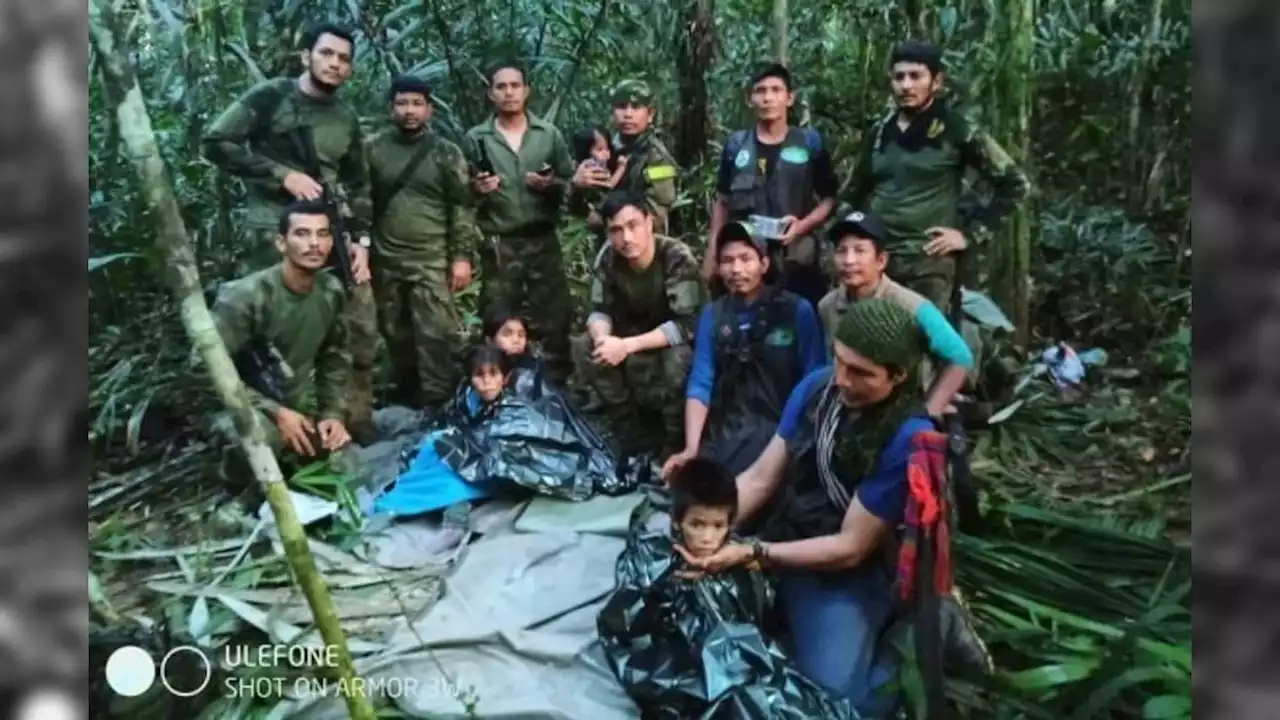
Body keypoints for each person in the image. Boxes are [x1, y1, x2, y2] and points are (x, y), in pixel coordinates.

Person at [674, 297, 937, 715]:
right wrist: (706, 528)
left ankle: (916, 638)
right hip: (789, 533)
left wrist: (752, 553)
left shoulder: (906, 437)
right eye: (839, 361)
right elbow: (762, 477)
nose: (843, 379)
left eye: (860, 373)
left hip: (846, 571)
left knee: (836, 705)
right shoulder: (817, 387)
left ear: (898, 376)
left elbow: (850, 546)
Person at [201, 22, 379, 442]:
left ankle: (346, 423)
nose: (335, 64)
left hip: (332, 233)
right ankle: (272, 426)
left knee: (353, 326)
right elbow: (215, 142)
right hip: (273, 232)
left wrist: (361, 241)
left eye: (343, 59)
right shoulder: (271, 97)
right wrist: (282, 175)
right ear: (306, 56)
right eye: (327, 54)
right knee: (269, 332)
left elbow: (359, 184)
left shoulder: (345, 118)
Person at [845, 40, 1030, 311]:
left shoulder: (956, 128)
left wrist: (969, 234)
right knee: (874, 343)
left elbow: (1016, 185)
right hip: (879, 262)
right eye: (899, 77)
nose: (906, 85)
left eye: (915, 76)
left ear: (936, 81)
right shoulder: (880, 132)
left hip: (928, 263)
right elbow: (854, 193)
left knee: (925, 345)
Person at [663, 221, 826, 479]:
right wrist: (691, 448)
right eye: (727, 260)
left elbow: (814, 379)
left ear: (764, 264)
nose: (736, 269)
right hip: (728, 430)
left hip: (781, 432)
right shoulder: (713, 314)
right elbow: (701, 381)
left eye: (745, 258)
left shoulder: (796, 310)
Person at [208, 201, 353, 484]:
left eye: (322, 234)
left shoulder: (330, 290)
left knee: (344, 463)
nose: (314, 244)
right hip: (241, 404)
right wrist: (275, 413)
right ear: (281, 242)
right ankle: (238, 495)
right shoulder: (244, 298)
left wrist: (332, 415)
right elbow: (204, 371)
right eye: (302, 234)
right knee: (260, 439)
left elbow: (335, 356)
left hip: (295, 402)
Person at [366, 75, 481, 410]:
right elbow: (360, 201)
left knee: (436, 336)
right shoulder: (372, 149)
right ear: (391, 108)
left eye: (417, 104)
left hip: (432, 259)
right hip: (386, 259)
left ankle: (439, 404)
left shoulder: (445, 153)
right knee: (396, 334)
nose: (409, 111)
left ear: (429, 109)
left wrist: (461, 257)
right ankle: (407, 398)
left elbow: (461, 207)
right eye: (402, 103)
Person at [464, 61, 576, 384]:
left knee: (554, 313)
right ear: (491, 93)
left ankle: (555, 385)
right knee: (498, 312)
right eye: (501, 86)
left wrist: (550, 184)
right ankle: (500, 383)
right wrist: (478, 189)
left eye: (515, 85)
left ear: (526, 91)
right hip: (500, 242)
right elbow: (462, 192)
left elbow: (570, 182)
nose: (508, 92)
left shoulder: (548, 135)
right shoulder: (476, 139)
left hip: (542, 238)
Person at [575, 191, 703, 457]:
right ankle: (630, 432)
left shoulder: (676, 256)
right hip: (628, 336)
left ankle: (675, 440)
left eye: (633, 225)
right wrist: (602, 340)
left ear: (649, 222)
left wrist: (626, 346)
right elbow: (599, 310)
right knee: (585, 345)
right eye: (616, 230)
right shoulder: (608, 258)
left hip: (668, 341)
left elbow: (687, 324)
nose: (626, 238)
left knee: (678, 358)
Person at [703, 63, 839, 308]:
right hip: (745, 260)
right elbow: (722, 200)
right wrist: (713, 250)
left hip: (796, 258)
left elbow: (830, 198)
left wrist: (802, 226)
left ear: (789, 98)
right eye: (760, 90)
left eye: (776, 90)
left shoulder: (809, 142)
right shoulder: (736, 146)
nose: (768, 98)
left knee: (799, 321)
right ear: (749, 99)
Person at [818, 211, 973, 419]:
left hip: (902, 408)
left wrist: (931, 409)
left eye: (859, 251)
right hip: (850, 405)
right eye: (841, 251)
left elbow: (960, 356)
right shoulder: (828, 306)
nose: (849, 260)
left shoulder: (910, 306)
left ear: (881, 260)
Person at [370, 345, 511, 521]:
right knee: (430, 451)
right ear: (470, 379)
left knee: (449, 483)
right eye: (479, 375)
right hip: (460, 458)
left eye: (493, 374)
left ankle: (448, 502)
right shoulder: (466, 400)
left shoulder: (513, 409)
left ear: (505, 378)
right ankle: (397, 501)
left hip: (485, 470)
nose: (487, 381)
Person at [571, 79, 680, 235]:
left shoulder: (658, 159)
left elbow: (656, 214)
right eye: (621, 107)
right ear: (612, 112)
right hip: (607, 246)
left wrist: (604, 220)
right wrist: (577, 187)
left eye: (636, 108)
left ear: (649, 115)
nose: (628, 114)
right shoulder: (603, 148)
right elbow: (576, 209)